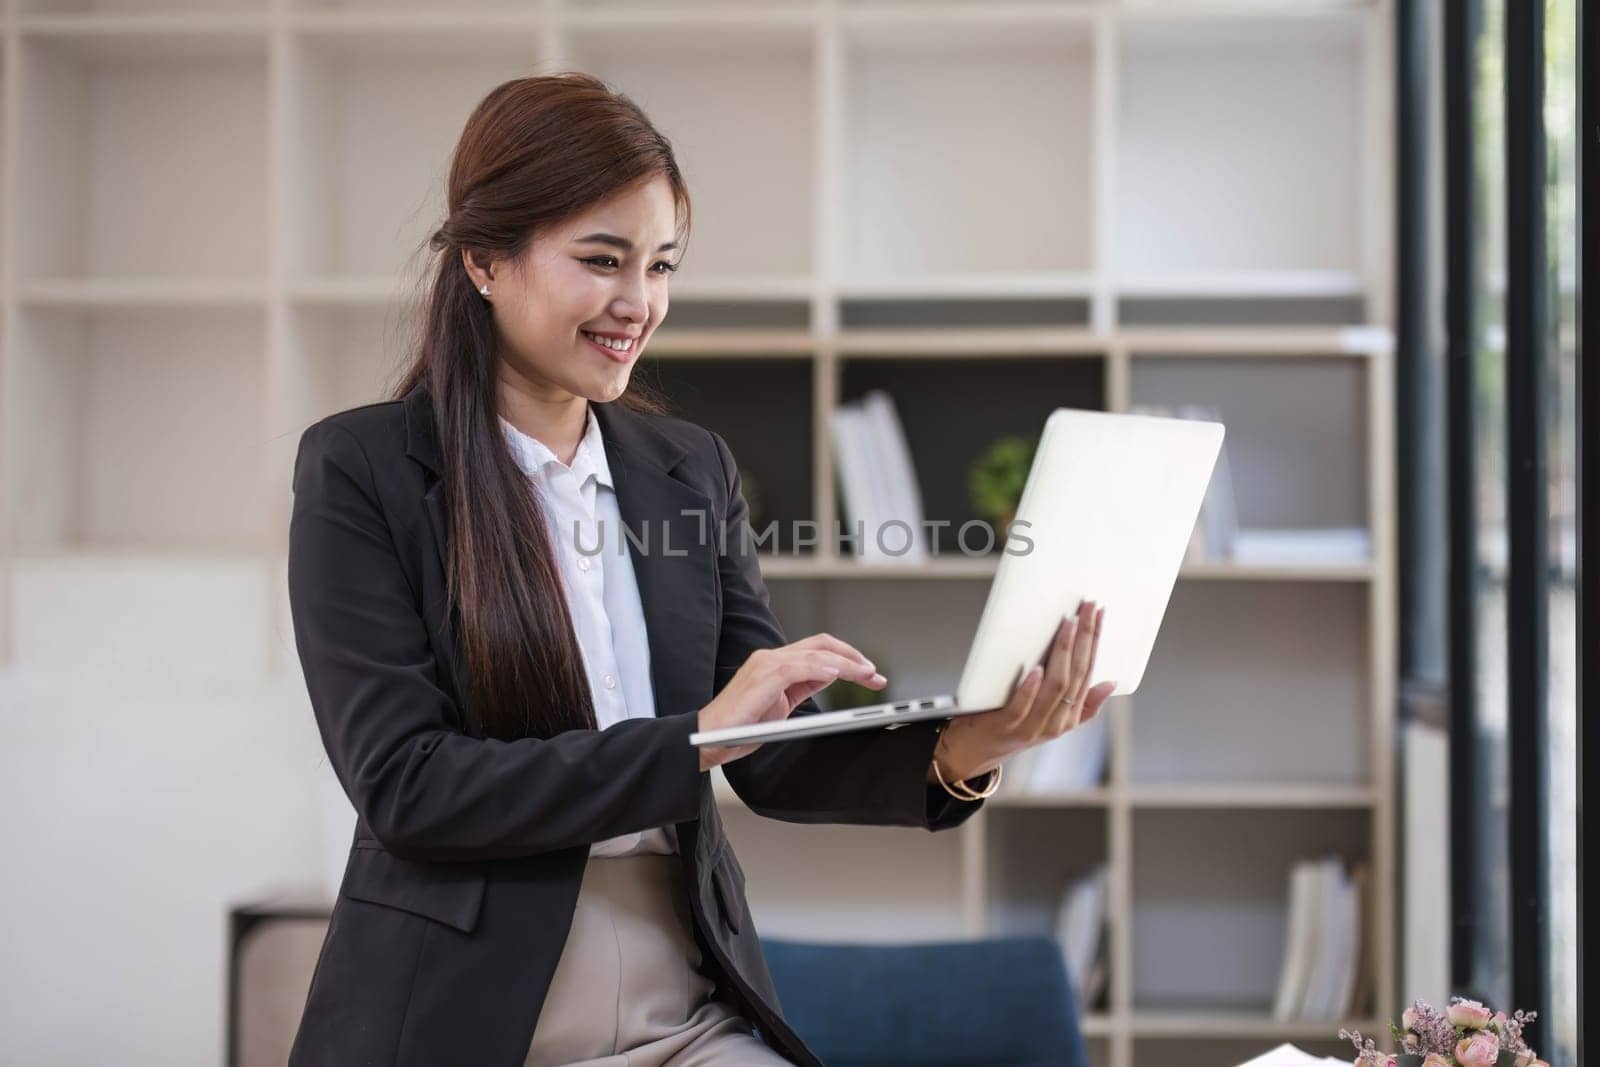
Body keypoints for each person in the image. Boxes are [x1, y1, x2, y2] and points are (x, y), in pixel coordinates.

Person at [284, 71, 1116, 1067]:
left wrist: (965, 746)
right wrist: (691, 739)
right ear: (484, 260)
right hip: (468, 1014)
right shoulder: (364, 469)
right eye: (602, 260)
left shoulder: (686, 470)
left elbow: (760, 750)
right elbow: (408, 785)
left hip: (682, 1006)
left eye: (662, 265)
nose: (638, 303)